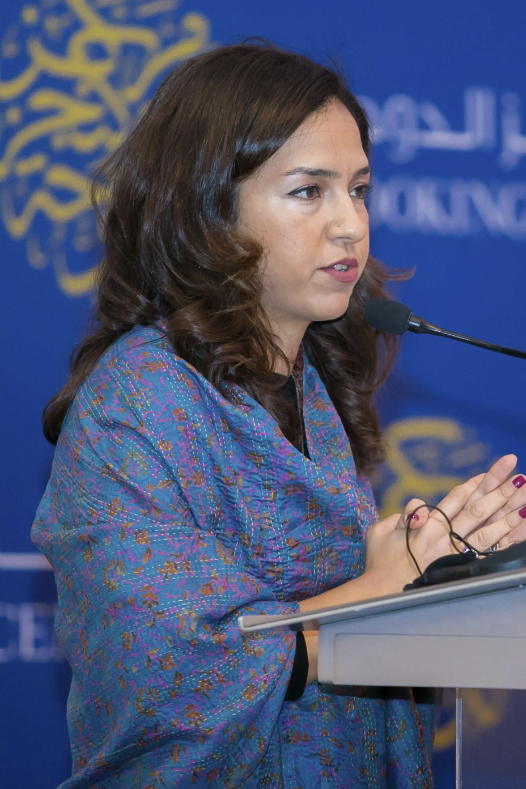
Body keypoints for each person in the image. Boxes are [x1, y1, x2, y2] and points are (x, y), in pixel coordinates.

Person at [32, 43, 526, 788]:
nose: (350, 225)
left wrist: (437, 565)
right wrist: (379, 588)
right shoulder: (135, 401)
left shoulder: (314, 390)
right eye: (308, 192)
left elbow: (322, 610)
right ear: (209, 209)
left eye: (358, 189)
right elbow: (170, 669)